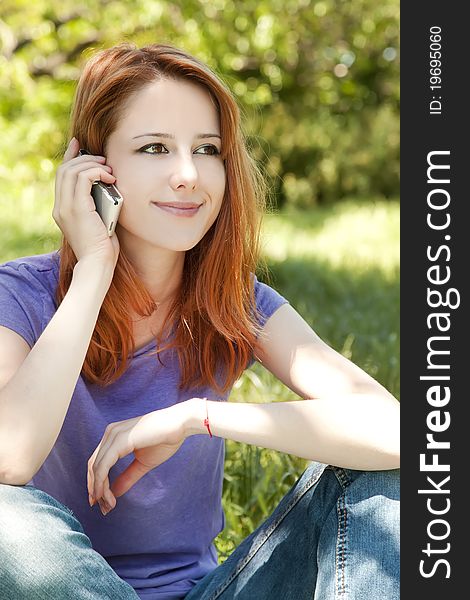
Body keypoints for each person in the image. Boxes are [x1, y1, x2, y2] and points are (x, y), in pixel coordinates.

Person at [0, 42, 400, 600]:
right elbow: (9, 457)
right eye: (155, 148)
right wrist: (93, 268)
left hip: (212, 592)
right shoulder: (19, 295)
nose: (189, 174)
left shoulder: (236, 303)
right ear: (92, 169)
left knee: (389, 474)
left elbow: (404, 434)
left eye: (207, 149)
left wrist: (198, 417)